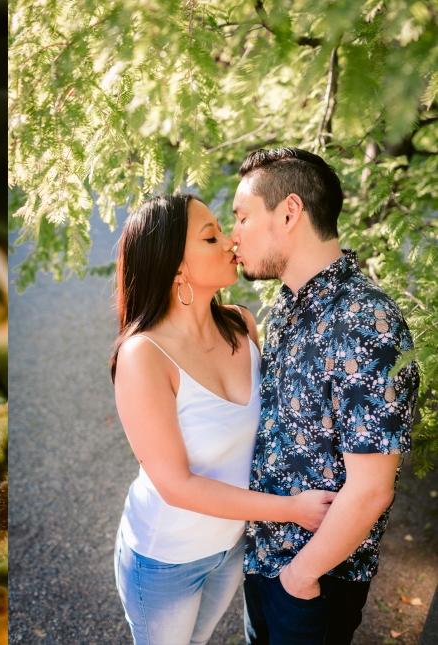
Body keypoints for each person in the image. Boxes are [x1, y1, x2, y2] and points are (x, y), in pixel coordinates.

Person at [111, 193, 337, 645]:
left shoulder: (242, 324)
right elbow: (177, 485)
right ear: (176, 267)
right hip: (164, 558)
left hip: (232, 547)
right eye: (211, 236)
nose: (231, 241)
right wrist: (292, 510)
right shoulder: (143, 357)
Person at [230, 147, 420, 645]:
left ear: (289, 212)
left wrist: (300, 578)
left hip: (313, 580)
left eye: (243, 217)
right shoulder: (288, 304)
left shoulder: (364, 321)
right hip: (264, 557)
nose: (234, 235)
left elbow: (372, 488)